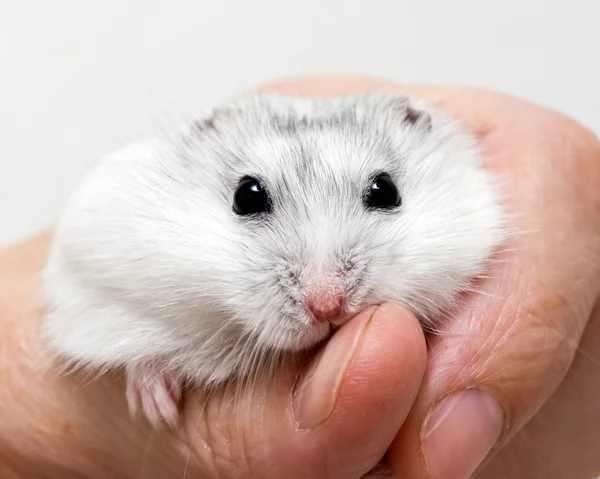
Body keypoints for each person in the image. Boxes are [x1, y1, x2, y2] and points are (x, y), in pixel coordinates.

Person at [1, 77, 599, 479]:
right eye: (253, 200)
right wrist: (142, 358)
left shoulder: (472, 196)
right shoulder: (122, 215)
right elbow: (83, 288)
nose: (324, 296)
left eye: (380, 194)